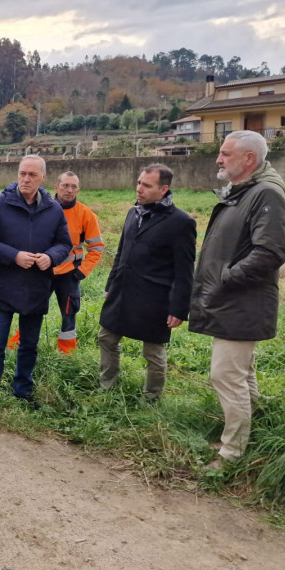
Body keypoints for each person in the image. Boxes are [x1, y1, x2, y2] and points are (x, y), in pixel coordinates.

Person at [189, 131, 285, 469]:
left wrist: (226, 277)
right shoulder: (244, 192)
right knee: (242, 376)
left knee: (225, 376)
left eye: (225, 153)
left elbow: (270, 252)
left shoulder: (266, 195)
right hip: (232, 302)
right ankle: (249, 435)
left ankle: (231, 454)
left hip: (240, 302)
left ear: (249, 160)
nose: (218, 159)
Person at [0, 155, 72, 430]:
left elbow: (64, 243)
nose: (26, 179)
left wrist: (50, 258)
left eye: (32, 175)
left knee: (29, 345)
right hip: (4, 286)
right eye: (22, 173)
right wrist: (14, 255)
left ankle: (22, 389)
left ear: (43, 178)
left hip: (36, 287)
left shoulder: (53, 209)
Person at [97, 164, 196, 402]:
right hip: (123, 290)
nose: (139, 188)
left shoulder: (181, 222)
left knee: (153, 351)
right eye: (139, 182)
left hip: (155, 298)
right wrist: (111, 285)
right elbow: (121, 253)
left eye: (146, 185)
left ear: (163, 189)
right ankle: (106, 386)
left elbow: (185, 270)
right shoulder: (134, 212)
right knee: (106, 338)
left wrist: (179, 308)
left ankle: (151, 397)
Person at [52, 171, 105, 354]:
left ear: (78, 190)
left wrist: (81, 272)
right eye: (65, 185)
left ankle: (67, 353)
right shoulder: (43, 209)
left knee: (69, 313)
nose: (69, 190)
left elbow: (97, 247)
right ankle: (17, 346)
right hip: (41, 271)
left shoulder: (85, 214)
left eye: (74, 186)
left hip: (69, 274)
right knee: (29, 309)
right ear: (56, 187)